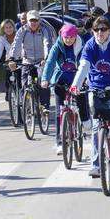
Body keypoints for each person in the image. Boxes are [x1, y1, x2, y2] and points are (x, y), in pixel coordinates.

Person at [71, 16, 110, 177]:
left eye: (103, 29)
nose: (100, 33)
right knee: (96, 125)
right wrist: (76, 85)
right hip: (96, 85)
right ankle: (96, 165)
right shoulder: (90, 45)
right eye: (96, 30)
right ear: (92, 31)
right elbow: (84, 66)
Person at [41, 24, 91, 154]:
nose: (68, 40)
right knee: (59, 111)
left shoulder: (82, 46)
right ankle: (60, 142)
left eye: (71, 37)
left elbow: (86, 63)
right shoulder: (57, 46)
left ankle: (85, 120)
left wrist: (86, 80)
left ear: (76, 36)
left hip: (76, 79)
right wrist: (45, 79)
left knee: (81, 99)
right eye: (66, 37)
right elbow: (50, 62)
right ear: (61, 36)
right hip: (61, 80)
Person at [9, 10, 52, 115]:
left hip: (40, 61)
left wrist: (46, 59)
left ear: (39, 20)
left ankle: (44, 105)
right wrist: (12, 59)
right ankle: (27, 104)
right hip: (27, 61)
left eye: (35, 20)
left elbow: (47, 44)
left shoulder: (44, 30)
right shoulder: (22, 30)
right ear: (27, 21)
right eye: (31, 20)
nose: (33, 23)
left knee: (42, 81)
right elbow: (16, 44)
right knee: (24, 84)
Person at [0, 19, 17, 101]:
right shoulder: (2, 38)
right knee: (8, 78)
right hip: (9, 59)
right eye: (6, 28)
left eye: (10, 27)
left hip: (20, 58)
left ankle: (22, 93)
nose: (8, 29)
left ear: (13, 27)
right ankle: (8, 93)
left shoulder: (18, 35)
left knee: (21, 77)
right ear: (3, 29)